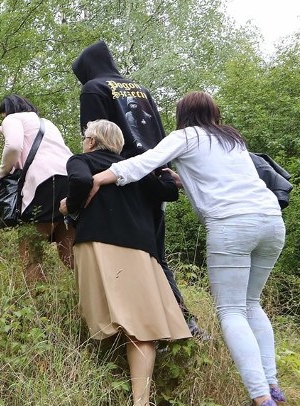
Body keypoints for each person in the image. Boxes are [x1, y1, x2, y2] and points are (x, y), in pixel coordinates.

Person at [91, 92, 286, 406]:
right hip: (271, 222)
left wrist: (99, 177)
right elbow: (221, 178)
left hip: (232, 224)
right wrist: (185, 180)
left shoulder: (185, 136)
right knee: (252, 304)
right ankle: (273, 383)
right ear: (214, 112)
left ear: (182, 114)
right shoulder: (232, 139)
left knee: (232, 311)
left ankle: (262, 401)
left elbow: (141, 164)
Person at [72, 39, 204, 337]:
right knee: (154, 254)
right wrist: (161, 171)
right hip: (152, 175)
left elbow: (96, 135)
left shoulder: (94, 88)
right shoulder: (139, 88)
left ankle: (133, 323)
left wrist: (95, 169)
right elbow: (155, 131)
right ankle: (181, 320)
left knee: (125, 253)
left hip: (120, 177)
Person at [61, 119, 190, 406]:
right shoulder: (135, 165)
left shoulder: (82, 160)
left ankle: (89, 386)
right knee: (143, 327)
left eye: (85, 136)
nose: (83, 141)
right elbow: (168, 192)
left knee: (100, 320)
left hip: (98, 243)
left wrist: (70, 207)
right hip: (140, 250)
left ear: (92, 141)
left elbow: (80, 182)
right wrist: (169, 177)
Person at [0, 94, 73, 280]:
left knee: (30, 248)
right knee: (69, 248)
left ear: (7, 110)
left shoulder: (12, 118)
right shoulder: (47, 123)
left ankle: (34, 302)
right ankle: (88, 297)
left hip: (43, 182)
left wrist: (2, 173)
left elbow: (13, 146)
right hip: (71, 178)